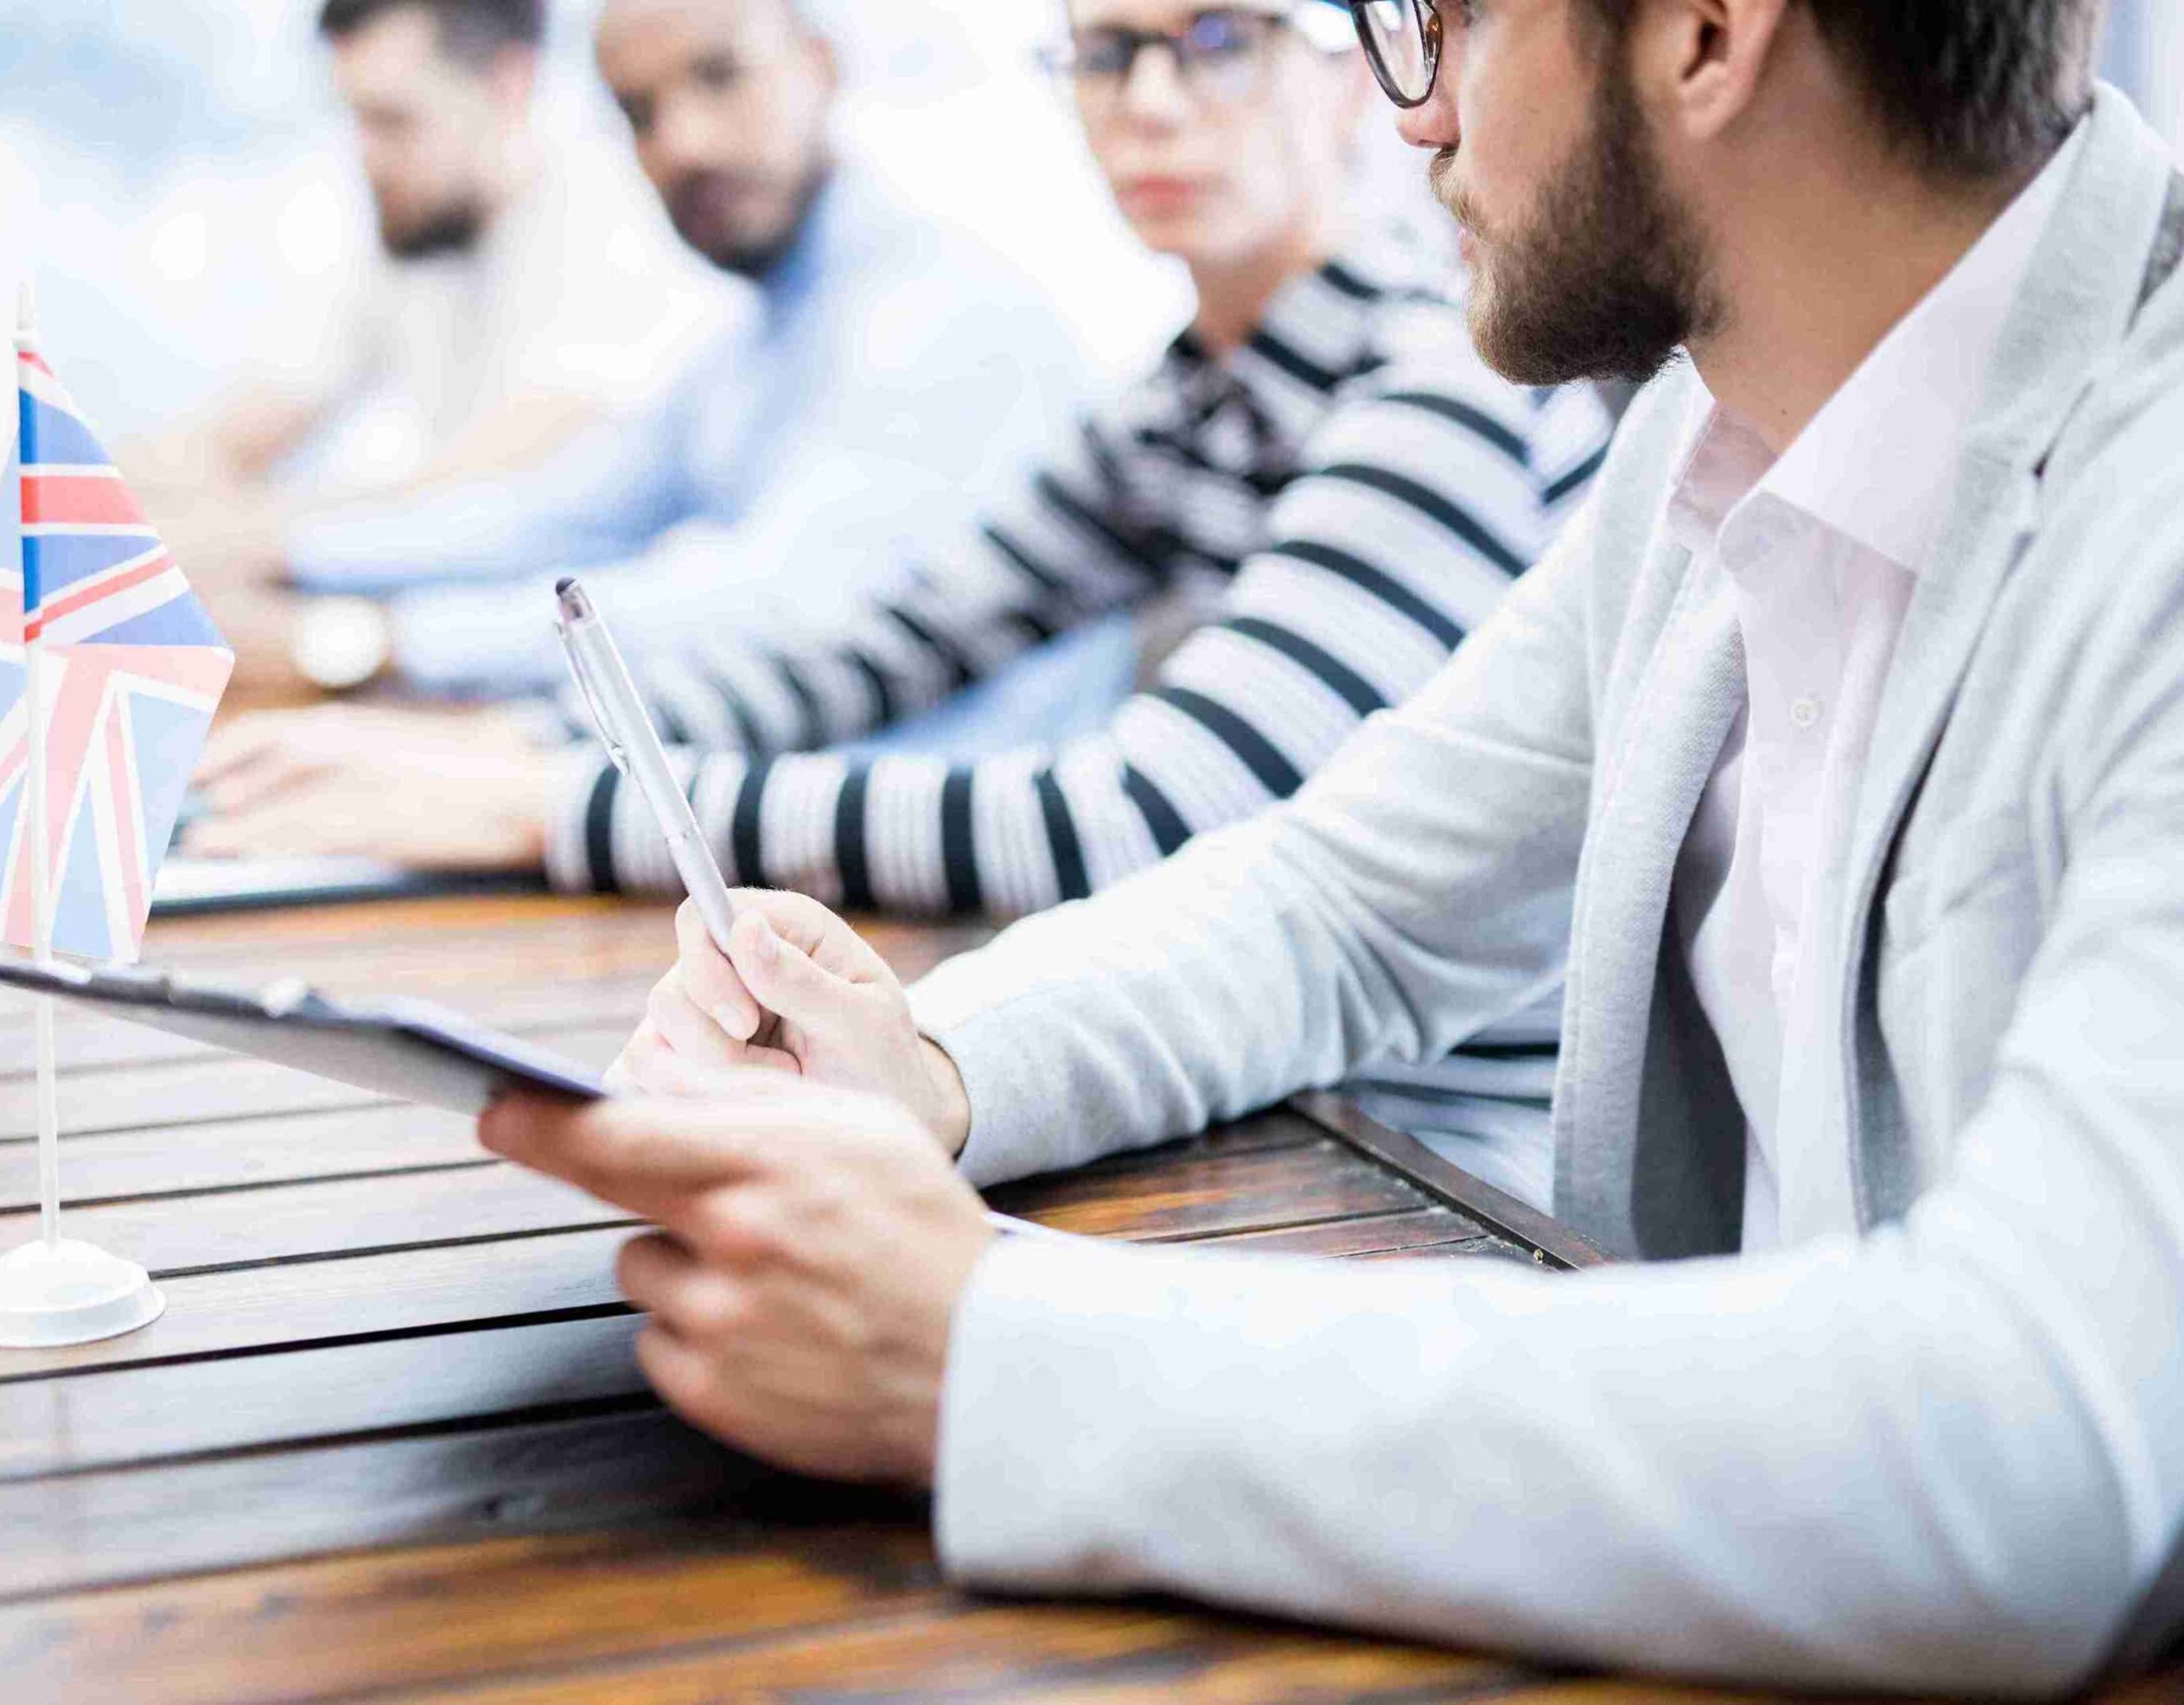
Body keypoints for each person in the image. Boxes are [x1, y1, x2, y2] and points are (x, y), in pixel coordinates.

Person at [478, 0, 2184, 1692]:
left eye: (1443, 22)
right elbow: (1341, 898)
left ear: (1704, 36)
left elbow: (2033, 1438)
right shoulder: (1708, 438)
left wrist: (989, 1356)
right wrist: (924, 1066)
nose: (1411, 118)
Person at [193, 0, 1611, 1189]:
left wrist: (543, 806)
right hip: (1257, 1095)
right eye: (1110, 54)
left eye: (1221, 36)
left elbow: (1133, 814)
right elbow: (871, 651)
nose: (1157, 101)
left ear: (1351, 67)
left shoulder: (1433, 381)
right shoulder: (1187, 401)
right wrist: (517, 749)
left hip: (1422, 1161)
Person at [266, 0, 1103, 729]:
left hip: (933, 872)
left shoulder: (940, 314)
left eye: (720, 76)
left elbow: (766, 604)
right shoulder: (748, 346)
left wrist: (367, 645)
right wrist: (282, 558)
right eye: (640, 112)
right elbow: (553, 516)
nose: (684, 143)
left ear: (821, 64)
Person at [132, 0, 725, 542]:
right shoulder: (420, 232)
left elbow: (487, 484)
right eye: (356, 120)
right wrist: (72, 495)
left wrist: (229, 533)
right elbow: (245, 430)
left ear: (507, 83)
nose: (366, 155)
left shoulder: (611, 221)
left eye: (393, 121)